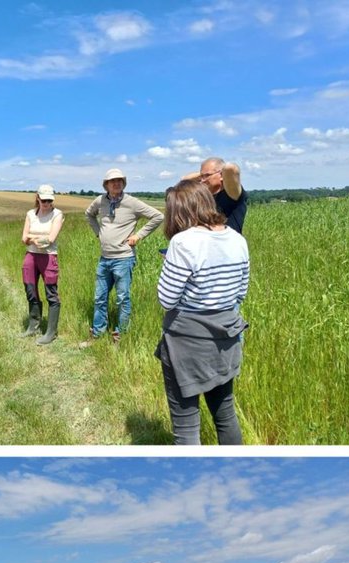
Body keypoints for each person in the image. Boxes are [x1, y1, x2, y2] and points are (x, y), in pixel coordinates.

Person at [155, 179, 249, 445]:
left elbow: (167, 299)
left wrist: (170, 268)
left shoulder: (183, 242)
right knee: (225, 413)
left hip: (187, 344)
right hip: (227, 338)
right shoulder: (237, 238)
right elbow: (241, 292)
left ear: (179, 210)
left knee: (186, 427)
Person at [84, 167, 163, 342]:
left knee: (122, 298)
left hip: (123, 258)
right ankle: (97, 333)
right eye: (113, 181)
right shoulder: (100, 201)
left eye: (120, 180)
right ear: (106, 185)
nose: (117, 183)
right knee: (99, 298)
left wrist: (138, 235)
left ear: (124, 183)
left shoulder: (132, 202)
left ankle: (121, 335)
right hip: (104, 258)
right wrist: (98, 233)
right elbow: (88, 215)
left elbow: (158, 216)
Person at [21, 184, 64, 344]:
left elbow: (50, 239)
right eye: (43, 200)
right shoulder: (30, 214)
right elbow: (23, 238)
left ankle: (50, 332)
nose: (46, 203)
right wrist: (37, 239)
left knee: (51, 293)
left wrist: (32, 237)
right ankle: (33, 326)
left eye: (49, 200)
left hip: (48, 257)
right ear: (37, 198)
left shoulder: (57, 214)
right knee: (30, 289)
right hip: (31, 256)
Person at [184, 157, 249, 234]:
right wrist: (206, 173)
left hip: (227, 244)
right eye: (202, 176)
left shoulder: (232, 194)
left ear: (221, 175)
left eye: (207, 175)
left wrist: (216, 172)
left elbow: (230, 168)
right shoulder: (206, 196)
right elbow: (184, 180)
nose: (202, 180)